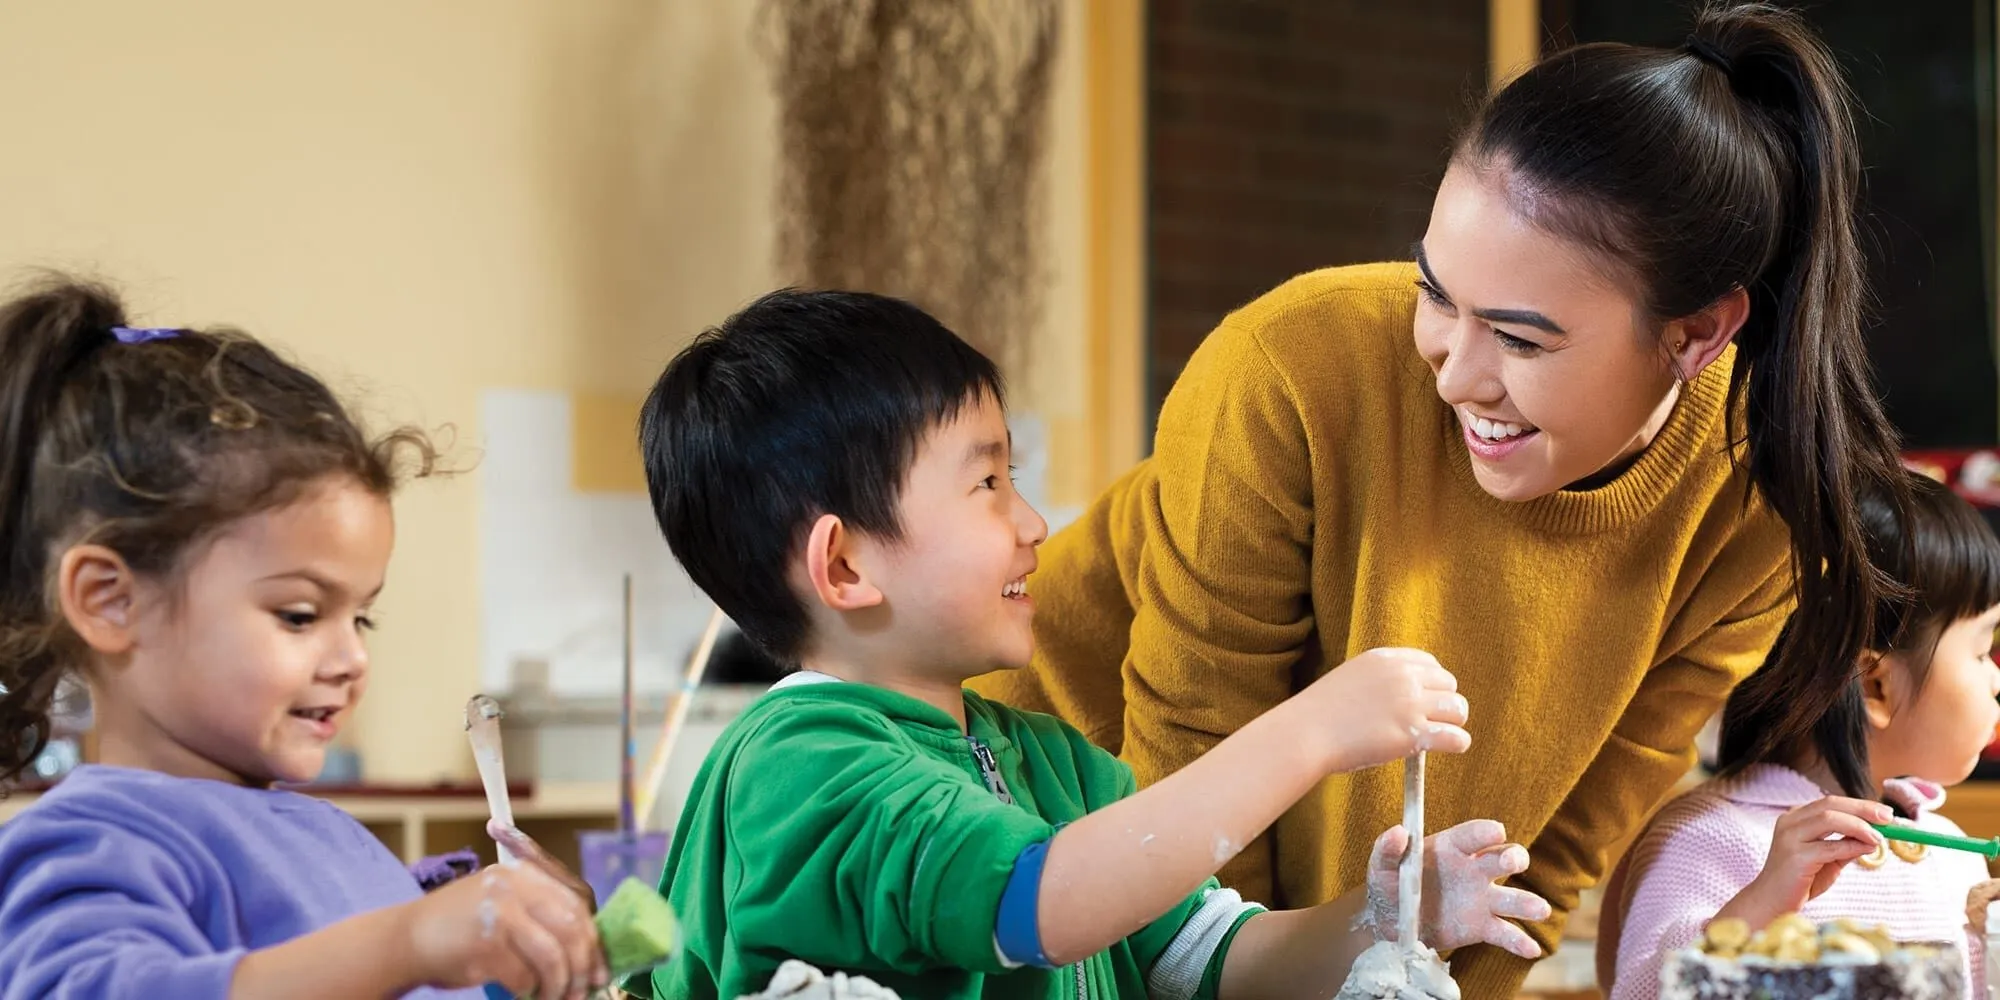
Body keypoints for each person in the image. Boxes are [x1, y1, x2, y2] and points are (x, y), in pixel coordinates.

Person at [968, 3, 1910, 994]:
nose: (1455, 373)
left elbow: (1549, 863)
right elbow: (1189, 774)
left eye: (1518, 338)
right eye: (1433, 293)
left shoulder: (1750, 510)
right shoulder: (1289, 368)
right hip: (1020, 875)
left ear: (1693, 334)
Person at [625, 289, 1551, 1000]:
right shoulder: (804, 766)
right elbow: (1035, 905)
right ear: (846, 566)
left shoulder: (1051, 764)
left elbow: (1209, 959)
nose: (1032, 524)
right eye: (986, 483)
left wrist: (1380, 922)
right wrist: (1310, 732)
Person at [0, 278, 606, 1000]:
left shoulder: (323, 832)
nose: (352, 660)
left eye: (362, 618)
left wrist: (525, 965)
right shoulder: (93, 842)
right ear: (111, 601)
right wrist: (409, 942)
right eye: (298, 614)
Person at [1600, 472, 2000, 999]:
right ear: (1876, 687)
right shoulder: (1712, 836)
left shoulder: (1952, 852)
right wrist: (1759, 908)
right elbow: (1640, 991)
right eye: (1979, 650)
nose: (1994, 675)